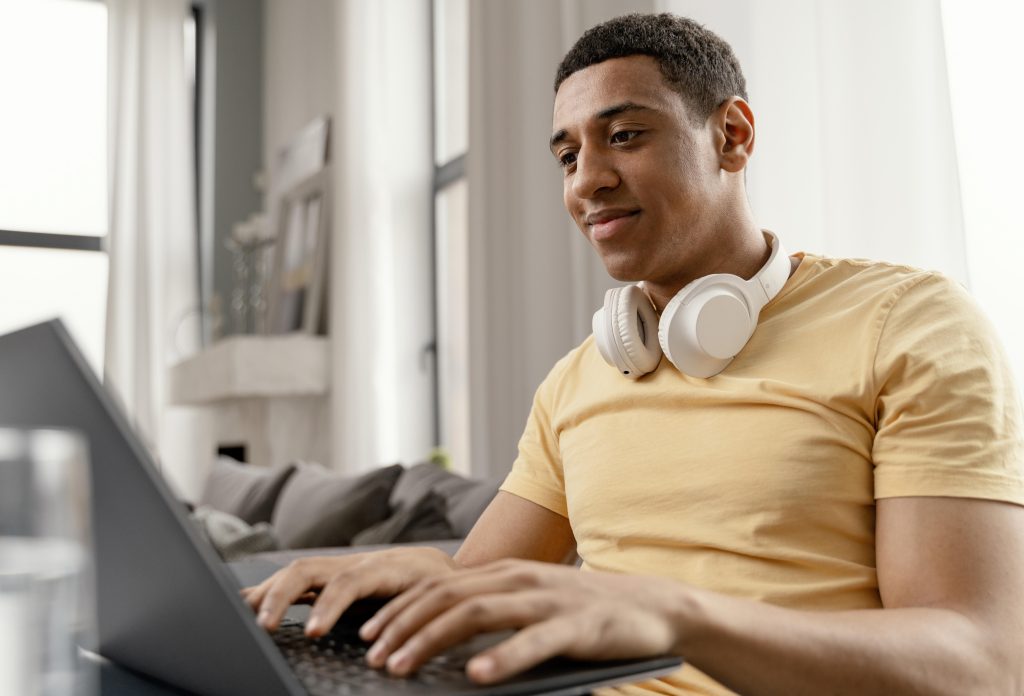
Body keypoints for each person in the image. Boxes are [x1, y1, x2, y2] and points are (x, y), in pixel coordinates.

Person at [243, 13, 1024, 695]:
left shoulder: (909, 323)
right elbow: (480, 584)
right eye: (567, 156)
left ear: (733, 134)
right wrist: (398, 584)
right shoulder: (580, 377)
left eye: (624, 136)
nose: (588, 181)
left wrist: (671, 613)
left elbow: (978, 665)